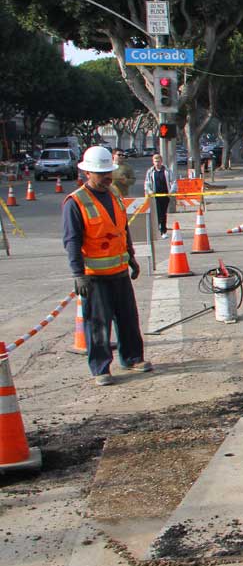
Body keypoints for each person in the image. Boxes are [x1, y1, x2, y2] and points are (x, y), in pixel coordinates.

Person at [63, 146, 152, 386]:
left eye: (108, 173)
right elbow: (72, 241)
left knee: (128, 319)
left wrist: (131, 256)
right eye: (101, 173)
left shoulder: (113, 195)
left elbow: (121, 229)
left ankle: (132, 358)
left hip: (119, 272)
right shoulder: (76, 202)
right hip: (95, 277)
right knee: (98, 325)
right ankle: (101, 368)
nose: (106, 177)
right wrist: (78, 274)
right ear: (87, 173)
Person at [144, 153, 177, 239]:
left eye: (158, 161)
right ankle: (159, 229)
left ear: (161, 161)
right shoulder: (150, 171)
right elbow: (147, 183)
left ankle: (163, 231)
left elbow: (173, 182)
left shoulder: (167, 171)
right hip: (155, 196)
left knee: (163, 213)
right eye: (155, 161)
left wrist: (171, 191)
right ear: (153, 162)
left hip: (165, 195)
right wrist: (150, 191)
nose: (157, 163)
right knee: (157, 213)